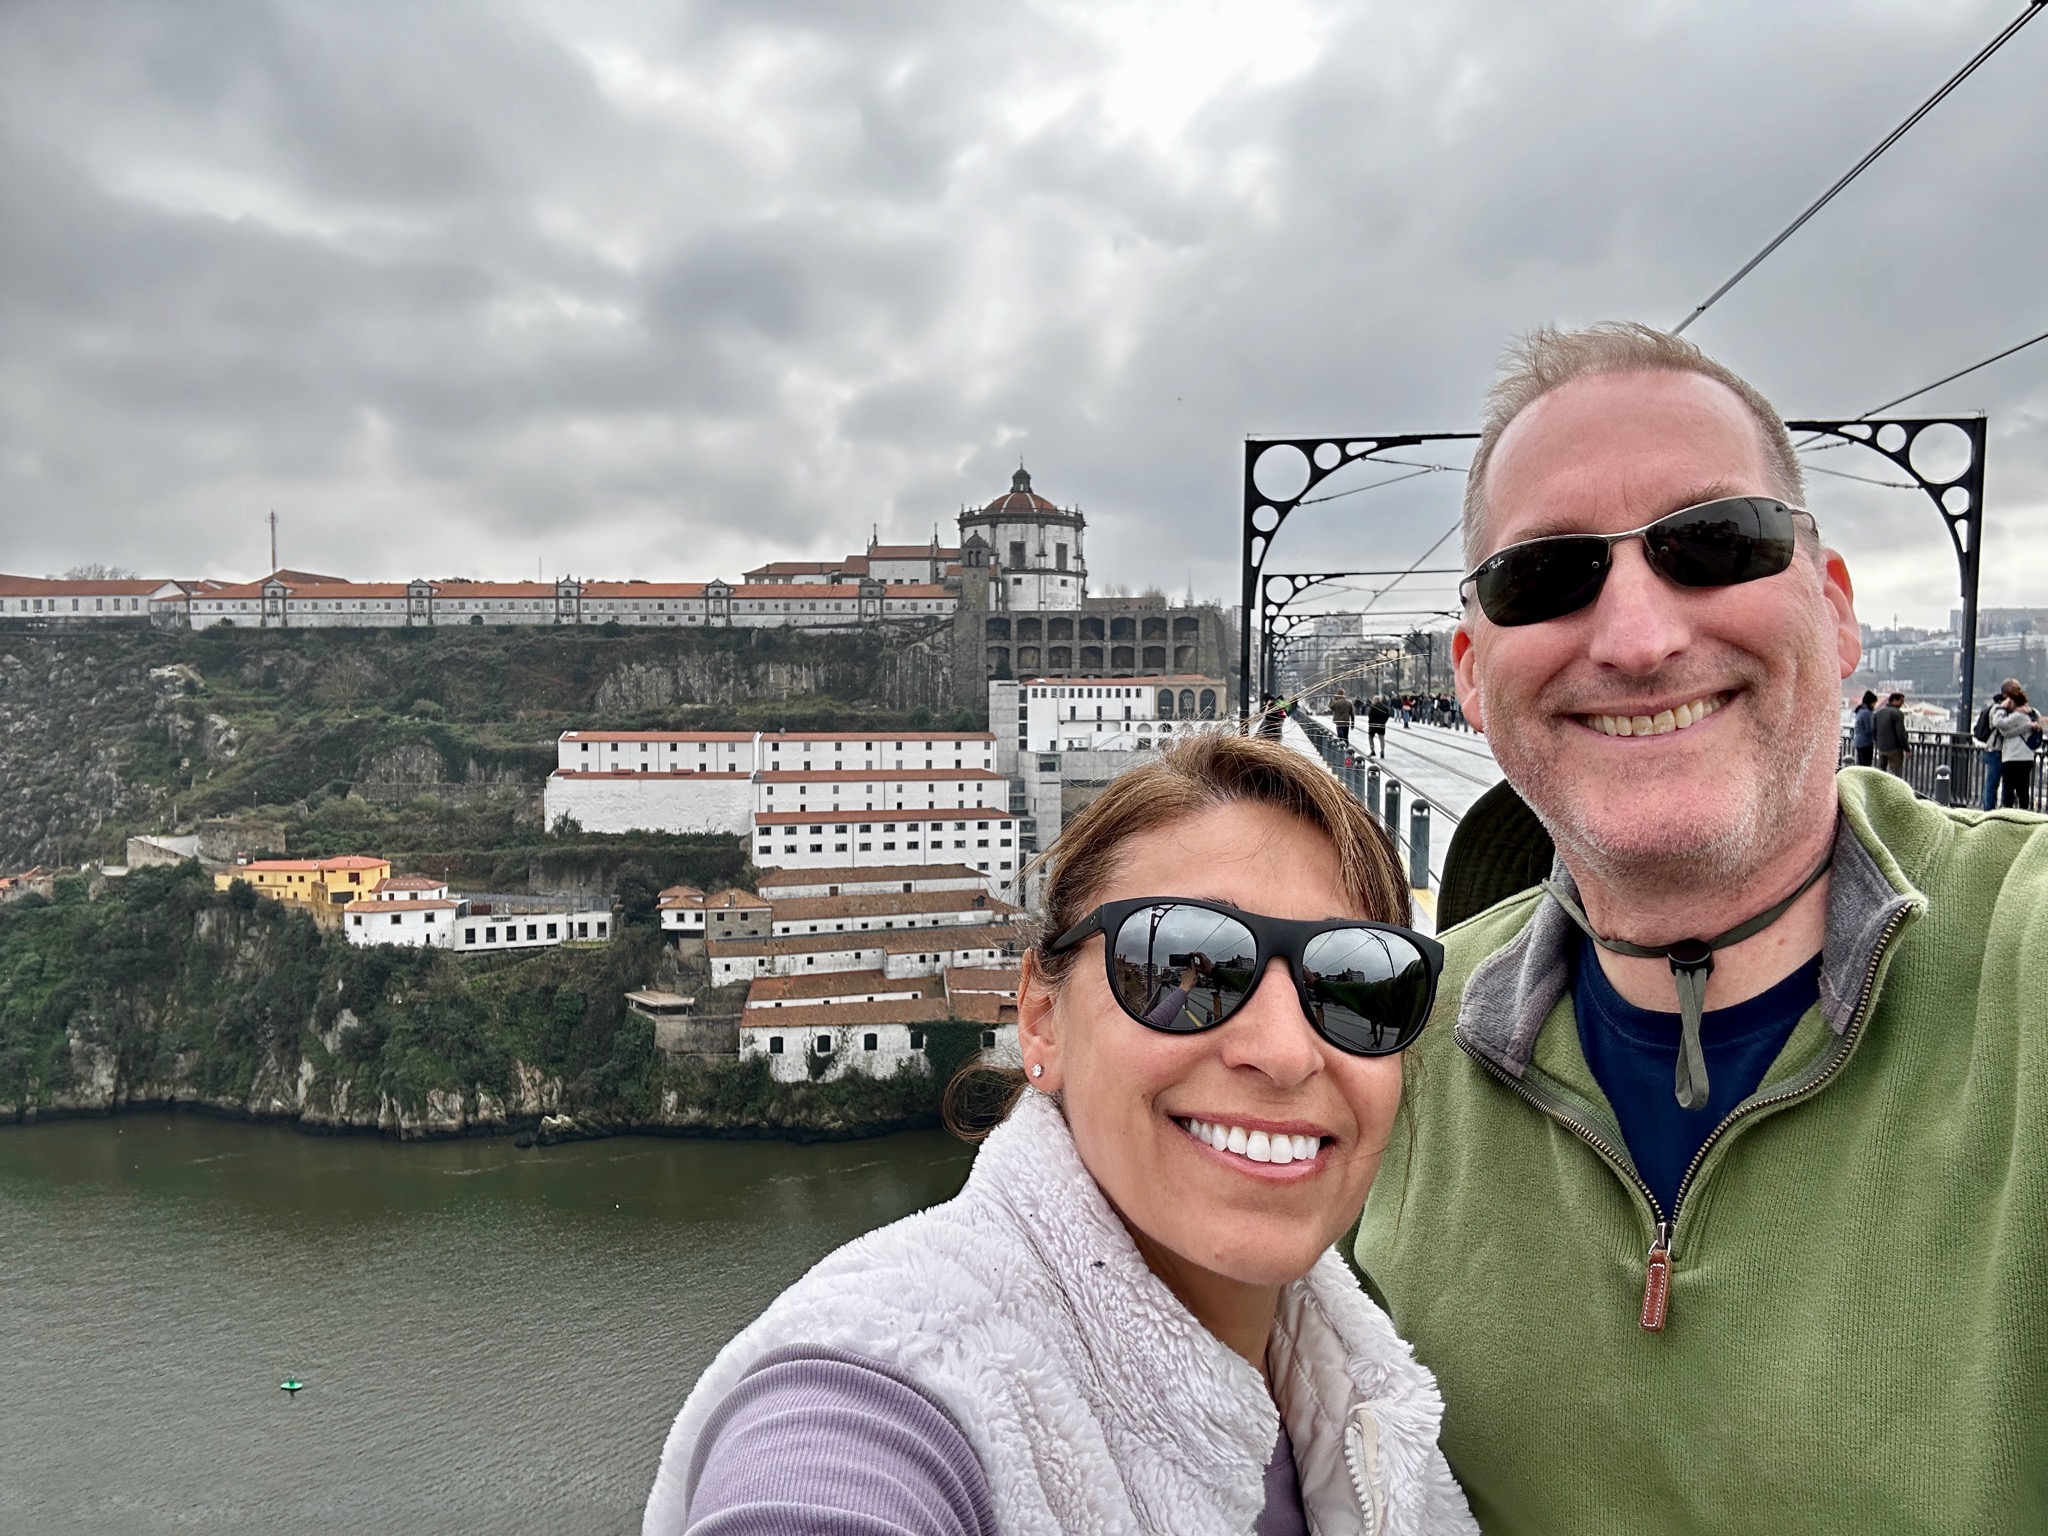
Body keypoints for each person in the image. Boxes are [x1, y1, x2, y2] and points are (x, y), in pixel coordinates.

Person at [1353, 321, 2048, 1533]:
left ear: (1834, 613)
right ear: (1470, 673)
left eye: (1715, 545)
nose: (1637, 639)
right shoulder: (1387, 1043)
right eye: (1544, 577)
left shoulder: (2022, 956)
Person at [646, 735, 1476, 1536]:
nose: (1287, 1052)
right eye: (1181, 968)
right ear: (1042, 1018)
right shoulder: (892, 1374)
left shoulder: (1356, 1393)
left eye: (1357, 986)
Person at [1989, 683, 2041, 810]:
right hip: (2027, 756)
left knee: (2008, 789)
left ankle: (2008, 813)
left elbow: (1998, 722)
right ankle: (2024, 813)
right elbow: (2037, 715)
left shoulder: (2016, 716)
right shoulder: (2030, 715)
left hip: (2012, 756)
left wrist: (2001, 708)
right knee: (2023, 789)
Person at [1975, 680, 2015, 811]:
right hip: (1995, 750)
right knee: (1992, 782)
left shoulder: (2001, 708)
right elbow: (2000, 725)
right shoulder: (1997, 709)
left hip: (1998, 750)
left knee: (2000, 783)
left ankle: (1998, 808)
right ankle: (1989, 809)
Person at [1870, 688, 1908, 776]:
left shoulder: (1878, 713)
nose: (1902, 703)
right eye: (1901, 700)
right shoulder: (1898, 713)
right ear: (1894, 700)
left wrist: (1878, 744)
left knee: (1881, 772)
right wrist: (1906, 748)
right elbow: (1900, 732)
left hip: (1881, 748)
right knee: (1895, 774)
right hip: (1894, 749)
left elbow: (1873, 730)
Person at [1850, 687, 1877, 768]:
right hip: (1866, 743)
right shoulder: (1867, 713)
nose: (1874, 705)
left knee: (1860, 765)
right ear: (1871, 702)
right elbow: (1869, 730)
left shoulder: (1860, 711)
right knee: (1866, 765)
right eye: (1874, 703)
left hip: (1858, 741)